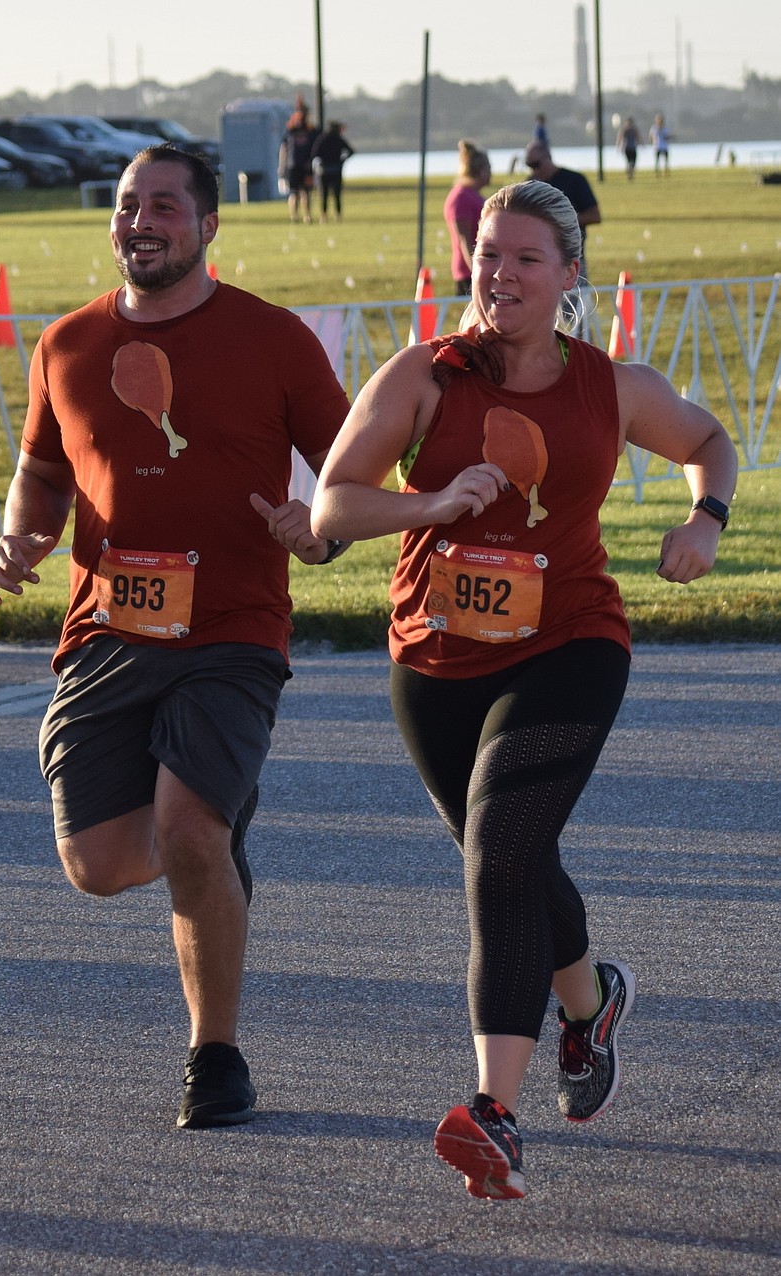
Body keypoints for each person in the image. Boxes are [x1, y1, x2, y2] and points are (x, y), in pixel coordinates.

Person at [311, 179, 737, 1201]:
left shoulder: (609, 383)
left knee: (499, 854)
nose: (498, 273)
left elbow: (708, 440)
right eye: (487, 253)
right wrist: (428, 499)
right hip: (435, 658)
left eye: (524, 258)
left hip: (570, 641)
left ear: (569, 273)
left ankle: (492, 1111)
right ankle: (587, 1006)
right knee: (509, 851)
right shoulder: (423, 376)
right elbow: (331, 503)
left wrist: (705, 521)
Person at [0, 145, 351, 1131]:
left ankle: (214, 1058)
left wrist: (317, 531)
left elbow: (345, 473)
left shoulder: (272, 341)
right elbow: (45, 475)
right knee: (97, 866)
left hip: (232, 630)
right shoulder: (63, 344)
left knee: (190, 831)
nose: (139, 221)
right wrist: (22, 536)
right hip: (106, 632)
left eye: (163, 206)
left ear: (209, 225)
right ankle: (217, 839)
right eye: (126, 204)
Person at [523, 141, 601, 287]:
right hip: (535, 259)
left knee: (575, 306)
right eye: (529, 165)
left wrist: (561, 219)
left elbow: (595, 216)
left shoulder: (574, 180)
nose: (534, 170)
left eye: (536, 164)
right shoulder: (530, 185)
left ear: (548, 158)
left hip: (570, 257)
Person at [443, 140, 492, 296]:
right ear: (481, 171)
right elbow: (464, 239)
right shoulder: (461, 198)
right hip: (468, 271)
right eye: (489, 168)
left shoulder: (473, 195)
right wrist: (476, 271)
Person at [279, 101, 320, 223]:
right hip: (292, 166)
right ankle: (294, 216)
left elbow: (315, 147)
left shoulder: (311, 131)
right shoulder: (290, 130)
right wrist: (282, 166)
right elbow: (284, 149)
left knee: (306, 192)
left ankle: (307, 216)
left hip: (306, 166)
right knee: (294, 193)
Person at [310, 120, 355, 222]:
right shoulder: (338, 139)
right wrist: (342, 160)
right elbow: (351, 151)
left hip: (324, 170)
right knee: (337, 195)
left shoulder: (322, 139)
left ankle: (323, 216)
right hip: (336, 169)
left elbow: (314, 154)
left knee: (324, 194)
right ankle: (338, 216)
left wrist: (320, 162)